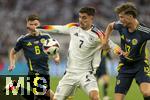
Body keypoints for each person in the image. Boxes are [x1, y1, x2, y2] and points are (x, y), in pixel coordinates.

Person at [38, 7, 123, 100]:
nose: (81, 20)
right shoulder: (73, 27)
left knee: (95, 97)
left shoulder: (98, 34)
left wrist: (122, 54)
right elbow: (56, 29)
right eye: (80, 17)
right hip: (70, 73)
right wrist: (38, 28)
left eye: (84, 17)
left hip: (86, 73)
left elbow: (112, 45)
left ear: (91, 18)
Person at [103, 2, 150, 100]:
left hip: (140, 65)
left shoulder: (144, 31)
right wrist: (105, 41)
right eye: (119, 17)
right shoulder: (120, 25)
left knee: (146, 92)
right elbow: (110, 26)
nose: (120, 20)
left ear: (130, 16)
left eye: (122, 17)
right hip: (125, 66)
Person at [8, 14, 60, 100]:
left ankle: (14, 86)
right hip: (34, 72)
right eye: (31, 24)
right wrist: (12, 63)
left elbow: (54, 49)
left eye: (35, 24)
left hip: (45, 72)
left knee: (40, 98)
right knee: (51, 96)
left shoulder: (46, 37)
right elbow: (12, 52)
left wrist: (56, 57)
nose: (33, 27)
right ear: (27, 25)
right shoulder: (23, 40)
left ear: (39, 24)